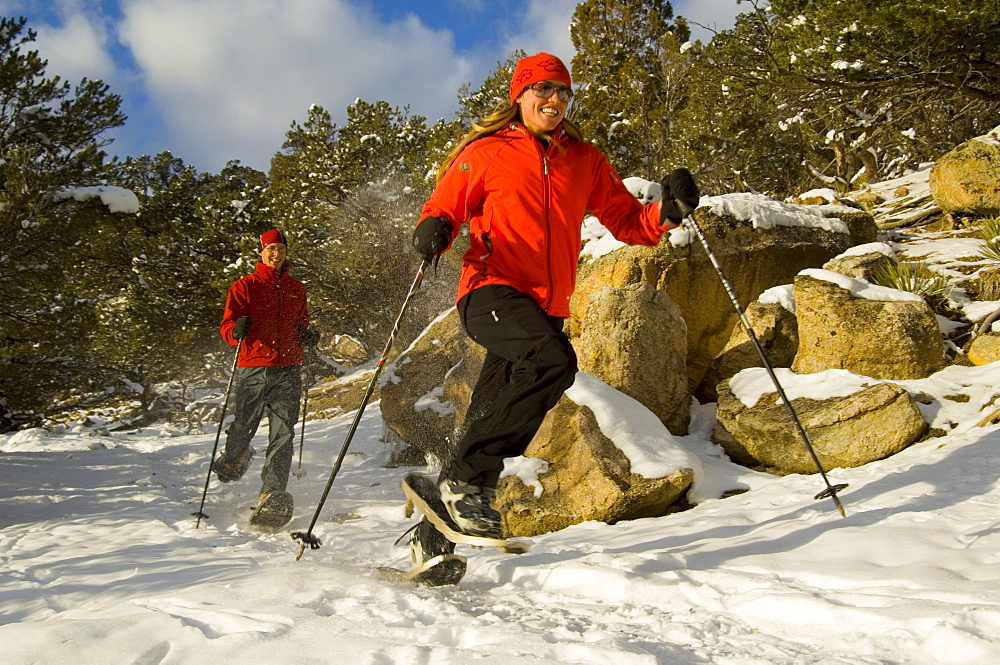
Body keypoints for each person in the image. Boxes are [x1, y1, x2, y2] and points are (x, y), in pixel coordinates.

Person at [408, 52, 699, 563]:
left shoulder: (584, 160)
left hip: (545, 307)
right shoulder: (488, 151)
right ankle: (467, 478)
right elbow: (445, 205)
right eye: (542, 89)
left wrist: (669, 213)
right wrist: (435, 228)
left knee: (489, 412)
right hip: (491, 289)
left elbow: (628, 220)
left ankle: (434, 542)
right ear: (519, 96)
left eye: (563, 91)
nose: (555, 99)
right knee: (554, 363)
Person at [214, 229, 319, 525]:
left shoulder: (297, 289)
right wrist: (236, 330)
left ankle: (271, 496)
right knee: (244, 425)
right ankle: (234, 456)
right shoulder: (244, 286)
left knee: (283, 433)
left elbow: (301, 324)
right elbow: (227, 326)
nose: (277, 254)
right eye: (271, 249)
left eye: (281, 249)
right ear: (261, 253)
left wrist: (307, 336)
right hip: (255, 366)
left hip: (289, 368)